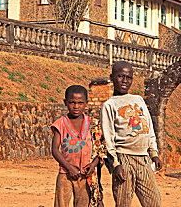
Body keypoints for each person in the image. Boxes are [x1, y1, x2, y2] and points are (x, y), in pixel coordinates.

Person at [101, 61, 163, 207]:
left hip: (143, 159)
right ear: (112, 77)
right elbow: (108, 138)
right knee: (123, 203)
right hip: (124, 159)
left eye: (128, 77)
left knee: (153, 202)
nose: (124, 81)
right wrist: (115, 164)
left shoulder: (138, 100)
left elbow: (149, 128)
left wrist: (154, 153)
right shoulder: (109, 105)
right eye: (120, 76)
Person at [51, 85, 101, 207]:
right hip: (65, 173)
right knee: (61, 203)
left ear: (86, 103)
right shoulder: (60, 124)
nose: (76, 106)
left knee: (83, 203)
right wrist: (69, 167)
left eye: (80, 103)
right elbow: (54, 150)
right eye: (72, 102)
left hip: (85, 174)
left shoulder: (93, 124)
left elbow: (100, 149)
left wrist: (93, 165)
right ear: (65, 102)